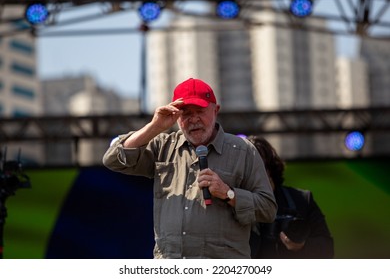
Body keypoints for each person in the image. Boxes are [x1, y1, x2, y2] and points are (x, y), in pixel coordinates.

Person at [102, 78, 277, 259]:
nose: (194, 119)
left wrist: (229, 193)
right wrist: (154, 127)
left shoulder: (243, 151)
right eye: (185, 113)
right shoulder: (163, 146)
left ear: (216, 111)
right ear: (176, 116)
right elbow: (113, 159)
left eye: (200, 111)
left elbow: (268, 209)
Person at [247, 135, 334, 258]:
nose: (253, 175)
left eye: (259, 168)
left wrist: (301, 245)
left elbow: (327, 249)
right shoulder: (235, 203)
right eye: (247, 169)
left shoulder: (302, 200)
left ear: (270, 169)